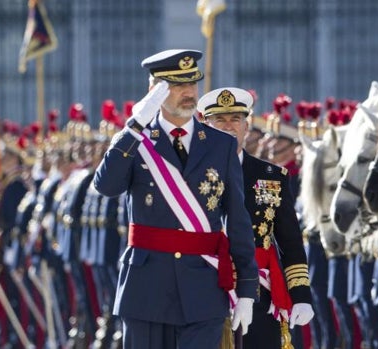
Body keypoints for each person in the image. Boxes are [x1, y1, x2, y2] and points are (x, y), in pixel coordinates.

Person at [93, 49, 259, 349]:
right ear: (153, 91)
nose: (188, 92)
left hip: (203, 289)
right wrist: (133, 127)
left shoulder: (220, 145)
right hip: (146, 290)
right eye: (177, 85)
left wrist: (247, 288)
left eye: (192, 83)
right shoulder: (137, 142)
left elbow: (237, 219)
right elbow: (105, 185)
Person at [199, 87, 315, 348]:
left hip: (260, 291)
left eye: (235, 119)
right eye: (220, 120)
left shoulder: (272, 176)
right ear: (205, 127)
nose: (228, 126)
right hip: (204, 288)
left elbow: (290, 242)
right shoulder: (189, 174)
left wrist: (301, 294)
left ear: (246, 126)